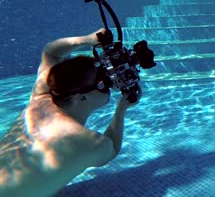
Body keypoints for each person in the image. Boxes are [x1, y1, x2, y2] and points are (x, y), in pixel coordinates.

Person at [0, 28, 140, 197]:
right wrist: (121, 110)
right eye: (102, 82)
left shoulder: (41, 96)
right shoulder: (90, 142)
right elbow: (113, 149)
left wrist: (85, 40)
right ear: (80, 97)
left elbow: (50, 52)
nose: (109, 84)